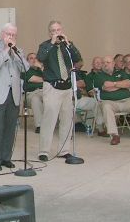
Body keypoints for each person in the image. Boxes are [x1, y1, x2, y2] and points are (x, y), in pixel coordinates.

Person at [0, 23, 29, 171]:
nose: (11, 37)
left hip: (14, 94)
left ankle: (6, 157)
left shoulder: (18, 50)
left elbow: (26, 68)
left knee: (11, 128)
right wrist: (6, 49)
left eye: (14, 35)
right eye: (9, 34)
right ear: (3, 34)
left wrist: (15, 53)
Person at [36, 20, 82, 161]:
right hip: (52, 86)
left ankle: (64, 150)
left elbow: (78, 59)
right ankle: (44, 151)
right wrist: (52, 42)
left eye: (58, 30)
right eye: (53, 30)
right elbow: (40, 57)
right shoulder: (45, 45)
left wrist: (68, 44)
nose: (56, 32)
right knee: (49, 119)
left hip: (67, 87)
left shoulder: (67, 46)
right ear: (50, 33)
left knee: (67, 119)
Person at [93, 56, 130, 145]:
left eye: (108, 62)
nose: (105, 64)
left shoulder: (121, 73)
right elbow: (106, 87)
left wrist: (114, 84)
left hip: (126, 101)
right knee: (106, 106)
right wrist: (120, 85)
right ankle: (115, 135)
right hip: (110, 102)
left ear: (113, 63)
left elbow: (128, 84)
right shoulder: (98, 76)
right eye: (104, 63)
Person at [22, 53, 44, 133]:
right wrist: (46, 79)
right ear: (27, 61)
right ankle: (40, 126)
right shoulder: (25, 70)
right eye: (31, 58)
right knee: (35, 99)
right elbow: (34, 79)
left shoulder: (41, 70)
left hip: (44, 91)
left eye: (36, 58)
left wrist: (41, 67)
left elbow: (51, 78)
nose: (34, 60)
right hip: (31, 94)